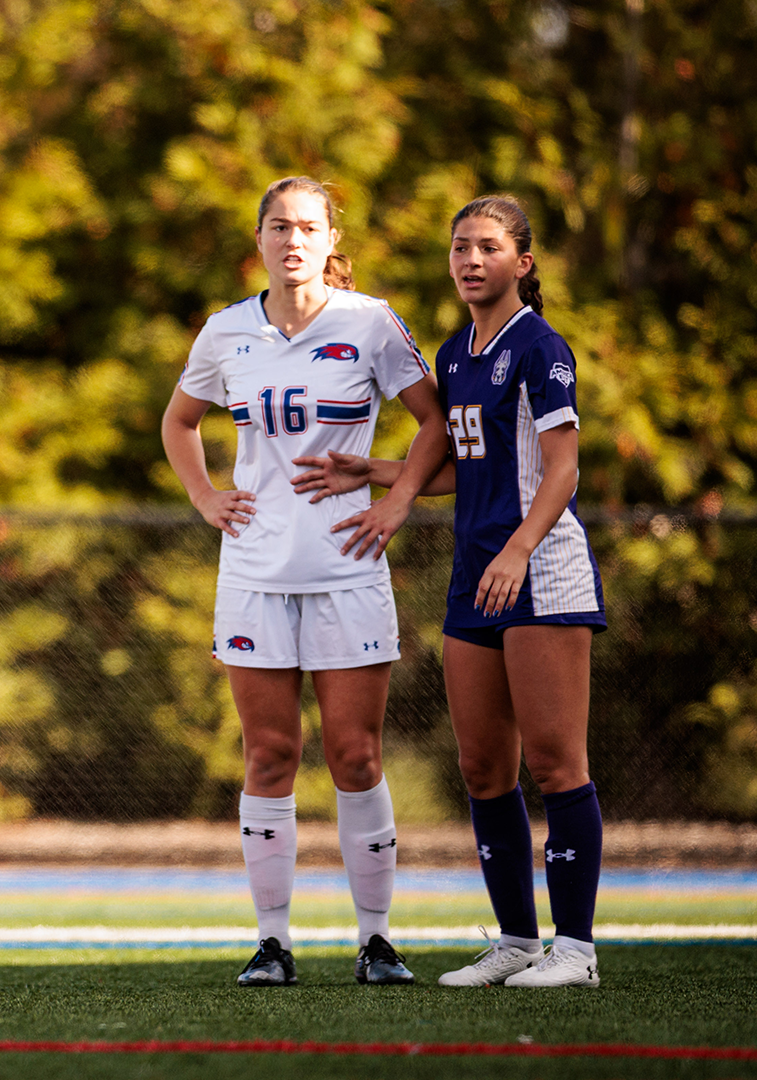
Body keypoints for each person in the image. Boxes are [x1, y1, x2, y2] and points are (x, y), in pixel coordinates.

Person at [294, 195, 606, 988]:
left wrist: (518, 549)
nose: (471, 260)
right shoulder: (456, 352)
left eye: (489, 247)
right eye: (461, 247)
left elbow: (562, 469)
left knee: (556, 763)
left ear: (522, 264)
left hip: (539, 571)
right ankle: (515, 940)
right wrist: (376, 471)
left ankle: (576, 948)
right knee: (482, 768)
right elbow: (462, 471)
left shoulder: (541, 348)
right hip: (476, 577)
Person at [161, 176, 445, 987]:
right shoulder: (226, 333)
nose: (293, 240)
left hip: (348, 566)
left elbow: (436, 422)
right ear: (259, 240)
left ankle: (377, 939)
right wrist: (206, 496)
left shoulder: (371, 321)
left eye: (308, 227)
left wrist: (394, 501)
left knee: (355, 755)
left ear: (329, 240)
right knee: (271, 756)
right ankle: (274, 942)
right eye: (279, 227)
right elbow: (178, 421)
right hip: (253, 570)